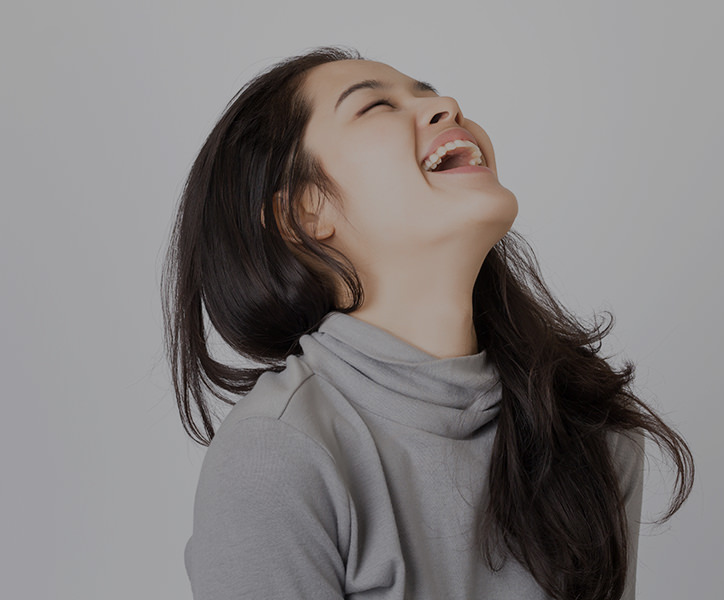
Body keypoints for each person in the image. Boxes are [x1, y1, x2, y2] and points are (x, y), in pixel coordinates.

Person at [162, 46, 694, 600]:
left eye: (429, 92)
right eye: (375, 106)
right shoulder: (276, 454)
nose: (448, 105)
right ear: (304, 211)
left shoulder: (587, 428)